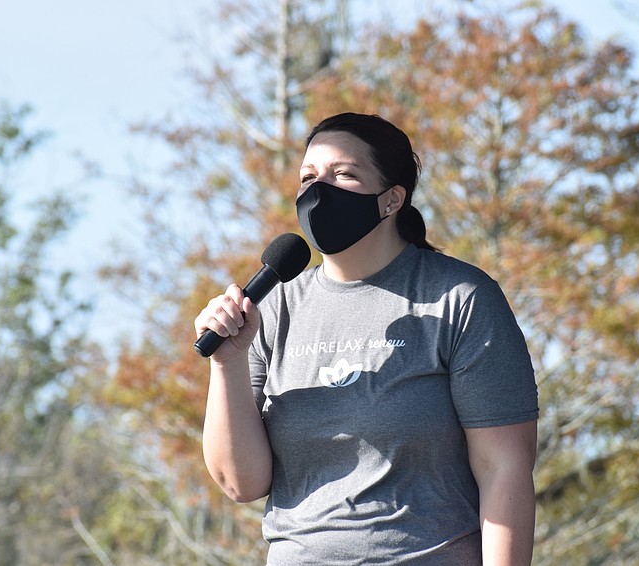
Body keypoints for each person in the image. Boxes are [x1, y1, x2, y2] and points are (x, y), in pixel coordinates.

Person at [195, 112, 539, 565]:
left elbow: (504, 469)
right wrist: (228, 363)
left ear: (392, 199)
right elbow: (241, 484)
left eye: (344, 174)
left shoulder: (459, 299)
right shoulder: (274, 310)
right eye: (309, 177)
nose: (320, 191)